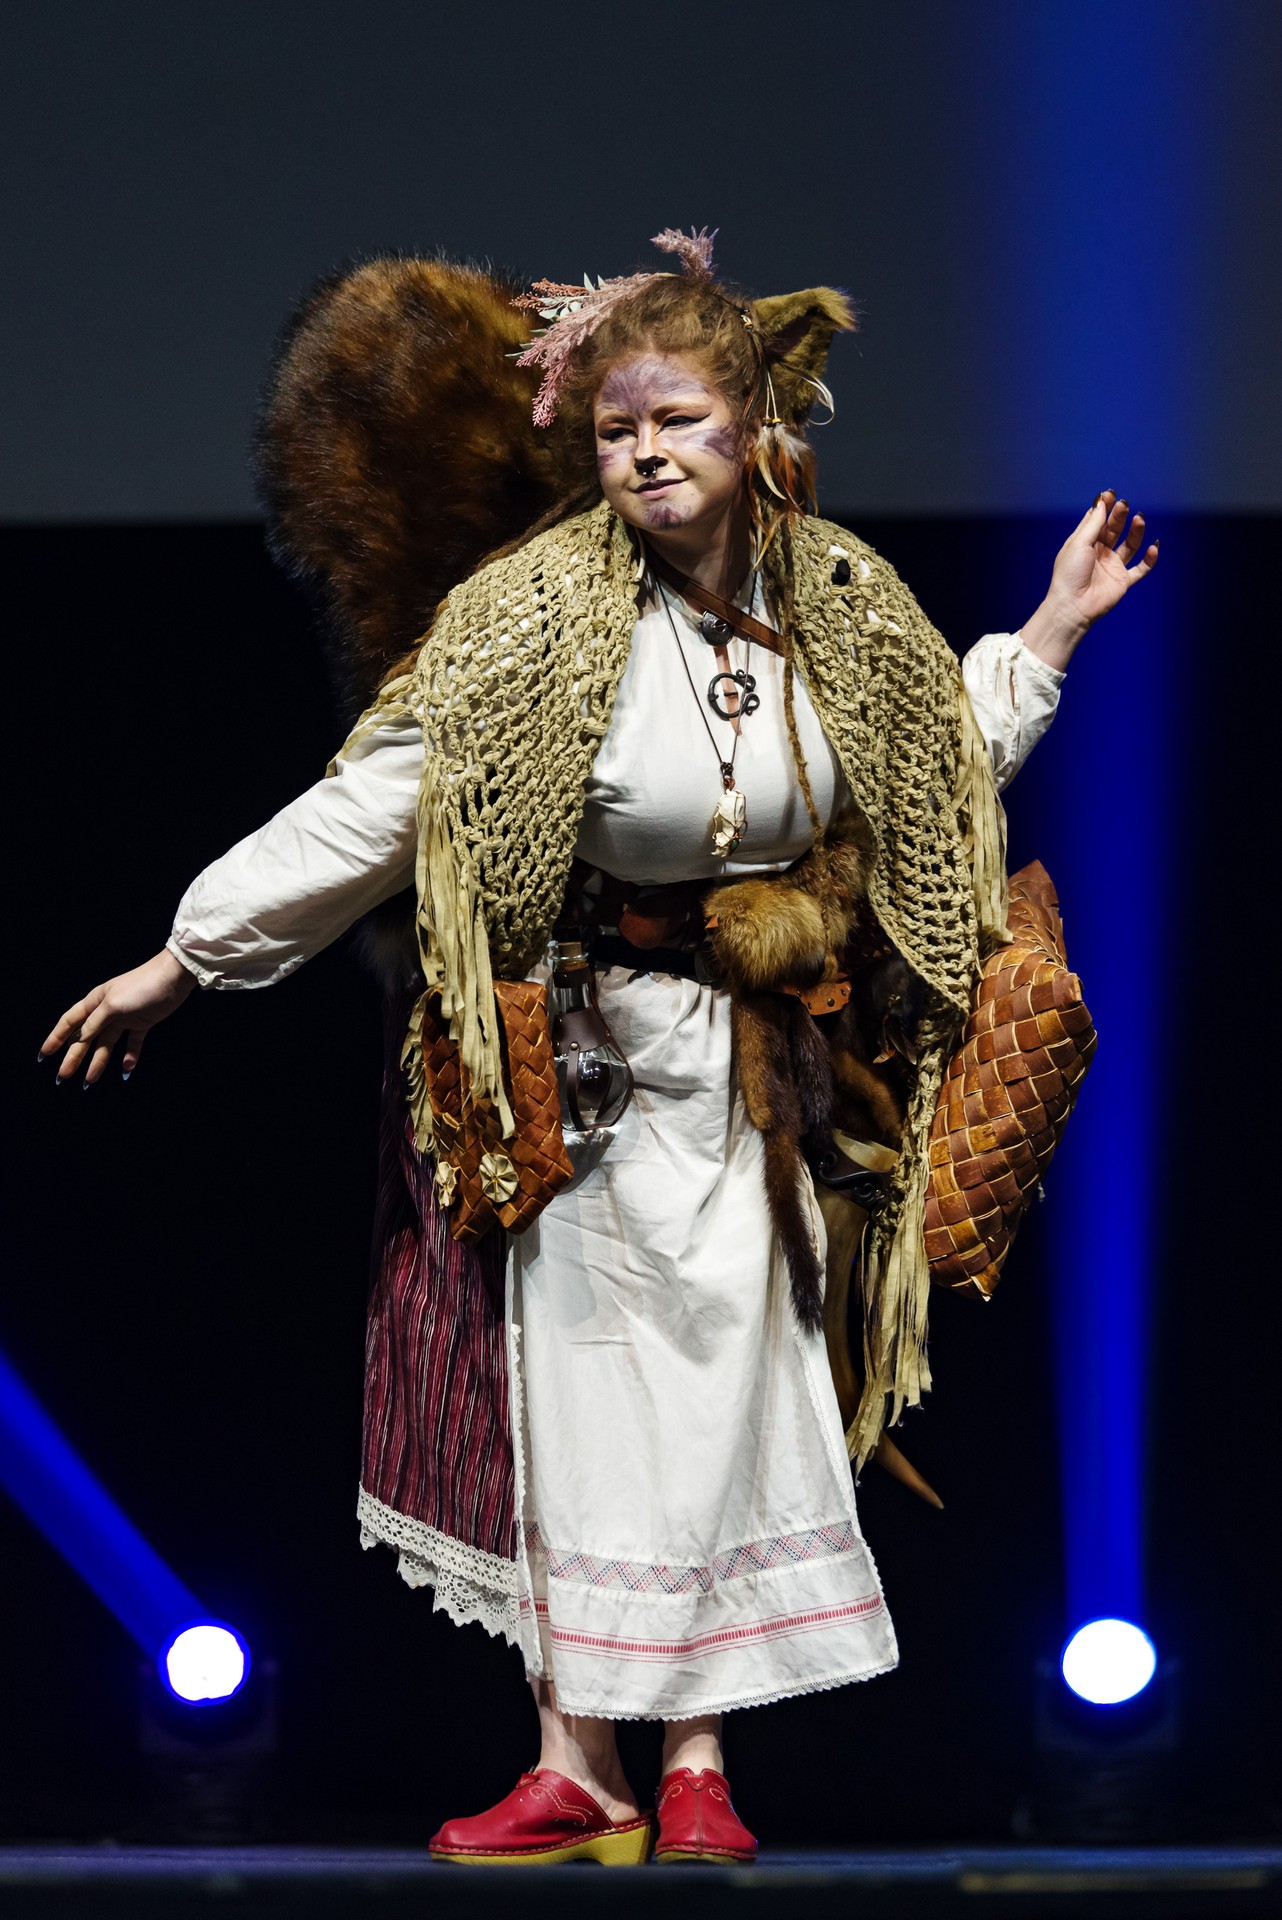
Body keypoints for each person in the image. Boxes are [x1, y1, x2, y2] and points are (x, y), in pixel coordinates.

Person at [39, 230, 1157, 1867]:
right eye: (618, 428)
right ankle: (577, 1761)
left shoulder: (840, 606)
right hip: (573, 1061)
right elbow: (380, 804)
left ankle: (694, 1763)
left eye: (679, 422)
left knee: (734, 1395)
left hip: (757, 1071)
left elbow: (927, 771)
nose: (645, 453)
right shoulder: (526, 620)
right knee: (567, 1400)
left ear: (751, 431)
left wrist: (1049, 631)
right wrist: (187, 959)